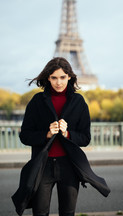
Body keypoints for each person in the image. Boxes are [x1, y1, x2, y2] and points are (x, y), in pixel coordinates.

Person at [12, 57, 110, 216]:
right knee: (40, 213)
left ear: (69, 76)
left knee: (68, 213)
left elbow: (85, 138)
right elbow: (25, 136)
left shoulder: (79, 102)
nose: (59, 82)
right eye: (54, 78)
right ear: (48, 78)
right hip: (43, 167)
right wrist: (47, 134)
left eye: (63, 77)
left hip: (69, 166)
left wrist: (67, 133)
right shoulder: (37, 101)